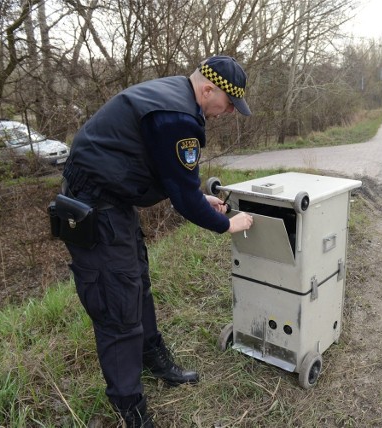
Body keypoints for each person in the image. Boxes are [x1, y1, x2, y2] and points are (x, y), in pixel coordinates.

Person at [60, 55, 254, 427]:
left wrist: (200, 196)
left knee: (137, 281)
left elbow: (173, 176)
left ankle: (152, 357)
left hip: (113, 199)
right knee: (117, 302)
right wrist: (227, 224)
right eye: (229, 104)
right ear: (208, 89)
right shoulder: (179, 117)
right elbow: (182, 198)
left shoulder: (174, 95)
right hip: (94, 204)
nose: (228, 112)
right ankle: (129, 405)